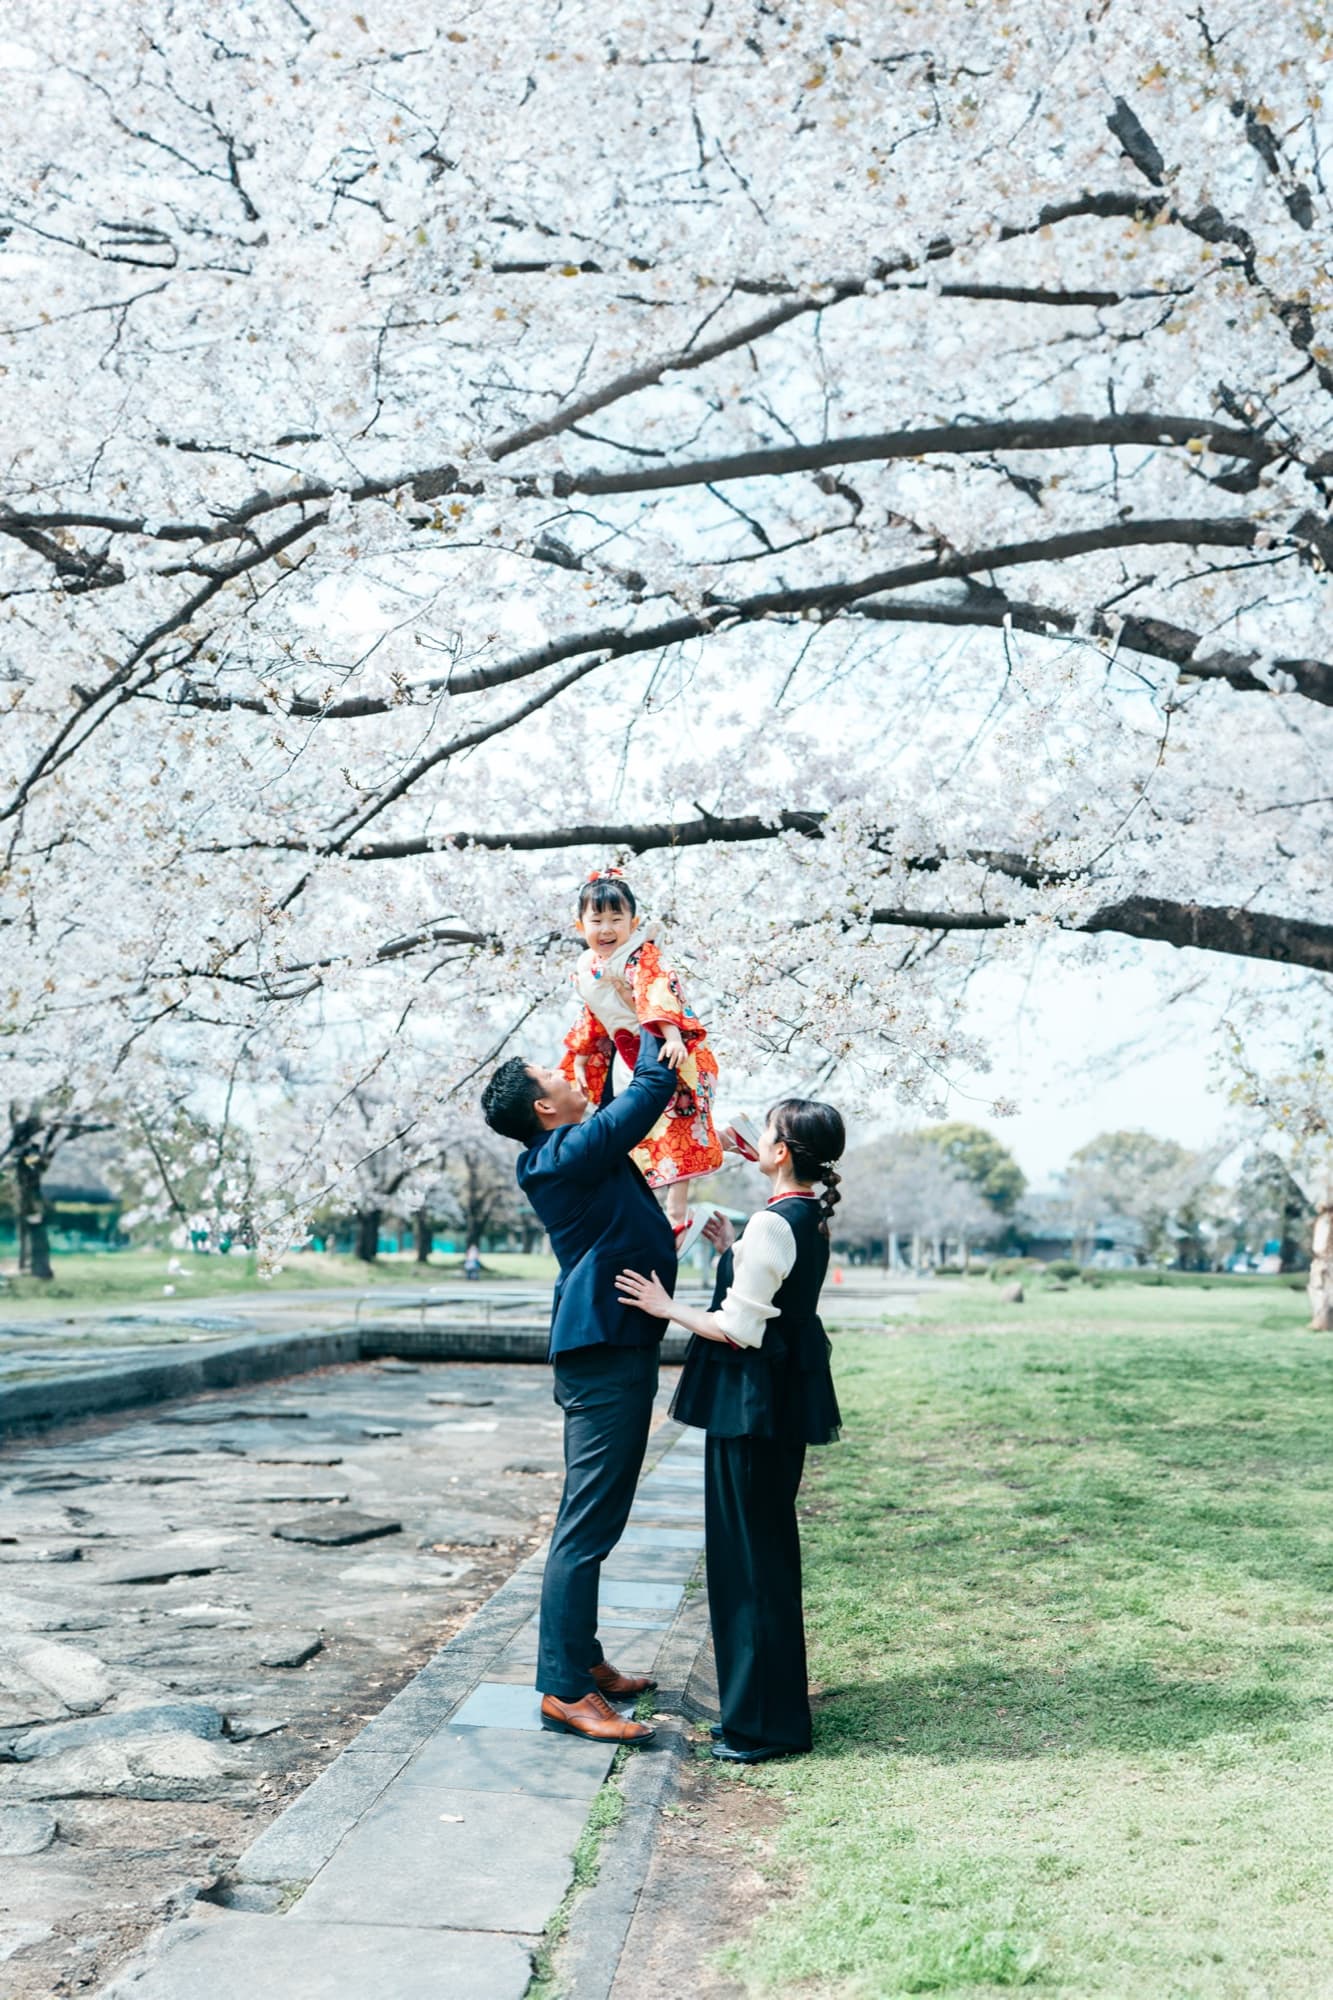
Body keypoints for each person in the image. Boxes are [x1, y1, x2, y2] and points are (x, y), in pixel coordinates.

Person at [616, 1098, 845, 1764]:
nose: (755, 1143)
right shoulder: (803, 1216)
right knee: (762, 1556)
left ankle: (760, 1726)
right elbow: (774, 1290)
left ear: (780, 1152)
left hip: (751, 1406)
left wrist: (666, 1306)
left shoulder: (775, 1225)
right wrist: (730, 1252)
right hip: (775, 1403)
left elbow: (741, 1329)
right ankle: (761, 1713)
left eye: (767, 1136)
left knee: (746, 1565)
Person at [481, 1020, 681, 1746]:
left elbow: (606, 1094)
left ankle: (584, 1661)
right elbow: (650, 1089)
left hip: (609, 1346)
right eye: (551, 1073)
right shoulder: (563, 1152)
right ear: (542, 1107)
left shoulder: (566, 1151)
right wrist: (659, 1020)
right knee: (586, 1526)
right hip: (602, 1354)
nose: (566, 1072)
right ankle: (563, 1690)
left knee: (595, 1516)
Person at [561, 868, 723, 1243]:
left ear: (632, 922)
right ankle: (731, 1139)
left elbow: (658, 992)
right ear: (579, 924)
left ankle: (676, 1215)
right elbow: (595, 1012)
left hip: (667, 1052)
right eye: (596, 919)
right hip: (627, 1056)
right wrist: (582, 1055)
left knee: (676, 1128)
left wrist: (671, 1035)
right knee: (638, 1129)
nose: (606, 928)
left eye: (616, 919)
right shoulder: (589, 967)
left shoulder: (641, 955)